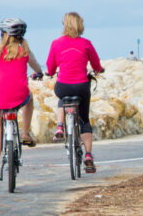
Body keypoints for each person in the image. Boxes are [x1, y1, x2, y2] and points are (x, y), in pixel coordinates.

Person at [0, 17, 44, 186]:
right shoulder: (25, 51)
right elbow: (37, 68)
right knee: (29, 98)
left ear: (3, 35)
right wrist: (39, 74)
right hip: (19, 95)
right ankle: (26, 133)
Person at [46, 12, 103, 173]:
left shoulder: (56, 43)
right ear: (80, 25)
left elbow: (50, 68)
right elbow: (96, 65)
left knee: (62, 99)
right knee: (84, 119)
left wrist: (50, 73)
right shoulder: (86, 43)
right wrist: (99, 70)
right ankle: (89, 156)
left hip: (63, 85)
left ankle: (59, 126)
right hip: (81, 87)